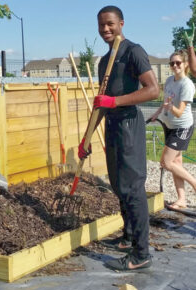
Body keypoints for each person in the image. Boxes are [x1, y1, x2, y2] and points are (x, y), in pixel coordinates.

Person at [78, 6, 160, 271]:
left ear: (121, 23)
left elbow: (153, 90)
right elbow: (101, 103)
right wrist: (86, 138)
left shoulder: (133, 52)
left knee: (133, 188)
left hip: (129, 124)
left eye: (110, 24)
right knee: (118, 185)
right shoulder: (104, 61)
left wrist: (115, 101)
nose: (105, 29)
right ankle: (127, 237)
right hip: (112, 125)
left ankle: (141, 254)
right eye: (101, 25)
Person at [149, 50, 196, 209]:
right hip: (170, 127)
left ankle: (195, 184)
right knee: (176, 162)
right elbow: (165, 103)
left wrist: (171, 107)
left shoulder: (187, 85)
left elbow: (179, 111)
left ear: (185, 65)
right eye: (172, 63)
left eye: (178, 63)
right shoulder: (169, 81)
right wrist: (157, 114)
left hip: (182, 128)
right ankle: (181, 199)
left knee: (166, 162)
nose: (175, 65)